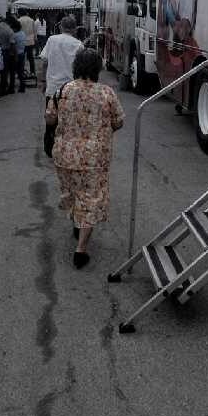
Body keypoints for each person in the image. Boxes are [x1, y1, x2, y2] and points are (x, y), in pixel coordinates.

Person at [45, 48, 125, 268]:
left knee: (72, 192)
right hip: (94, 158)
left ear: (76, 67)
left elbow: (50, 119)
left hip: (65, 155)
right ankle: (80, 250)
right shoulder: (106, 93)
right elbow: (118, 121)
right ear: (97, 68)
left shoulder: (63, 90)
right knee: (91, 198)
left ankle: (77, 222)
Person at [39, 15, 83, 96]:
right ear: (75, 29)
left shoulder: (51, 40)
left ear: (60, 27)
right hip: (71, 89)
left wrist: (44, 81)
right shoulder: (79, 45)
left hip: (53, 87)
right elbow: (81, 69)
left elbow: (45, 63)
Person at [8, 15, 26, 93]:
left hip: (15, 55)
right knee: (20, 71)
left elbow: (13, 47)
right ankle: (22, 86)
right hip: (22, 53)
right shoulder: (23, 33)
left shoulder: (13, 35)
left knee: (12, 72)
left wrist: (14, 56)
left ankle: (11, 88)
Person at [18, 10, 37, 76]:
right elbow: (34, 31)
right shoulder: (31, 20)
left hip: (22, 41)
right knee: (31, 57)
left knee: (22, 58)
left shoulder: (19, 20)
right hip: (30, 41)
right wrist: (35, 39)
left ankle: (21, 72)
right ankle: (32, 72)